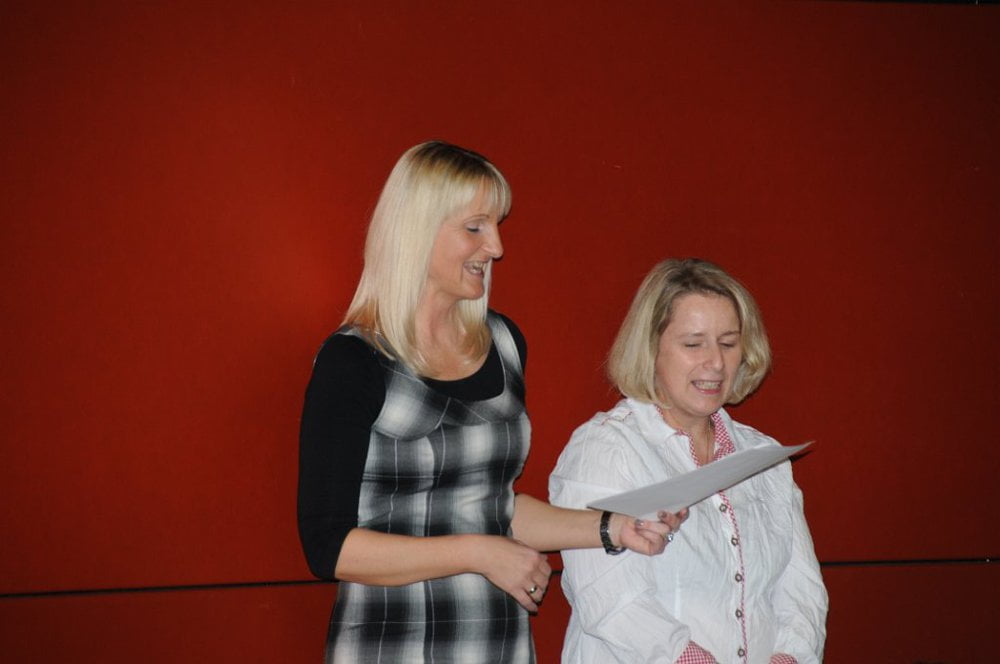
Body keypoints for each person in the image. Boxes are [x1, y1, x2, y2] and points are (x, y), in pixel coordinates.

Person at [297, 141, 686, 663]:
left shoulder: (504, 344)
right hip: (392, 645)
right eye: (475, 227)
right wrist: (480, 553)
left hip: (496, 645)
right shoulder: (355, 360)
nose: (496, 247)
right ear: (418, 230)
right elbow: (328, 547)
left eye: (496, 226)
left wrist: (616, 527)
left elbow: (493, 507)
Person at [550, 258, 828, 664]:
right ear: (651, 349)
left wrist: (789, 657)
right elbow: (611, 601)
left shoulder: (763, 456)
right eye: (693, 344)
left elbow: (801, 589)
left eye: (728, 343)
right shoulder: (606, 448)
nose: (716, 362)